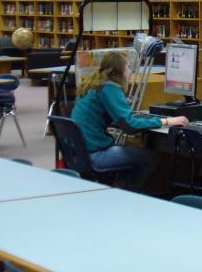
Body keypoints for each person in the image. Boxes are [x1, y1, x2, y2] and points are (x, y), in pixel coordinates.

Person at [71, 51, 188, 190]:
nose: (130, 71)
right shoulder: (110, 88)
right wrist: (166, 121)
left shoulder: (93, 85)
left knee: (133, 154)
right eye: (127, 67)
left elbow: (118, 119)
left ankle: (119, 188)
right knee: (150, 158)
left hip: (79, 152)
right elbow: (129, 126)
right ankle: (126, 193)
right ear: (119, 71)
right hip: (94, 154)